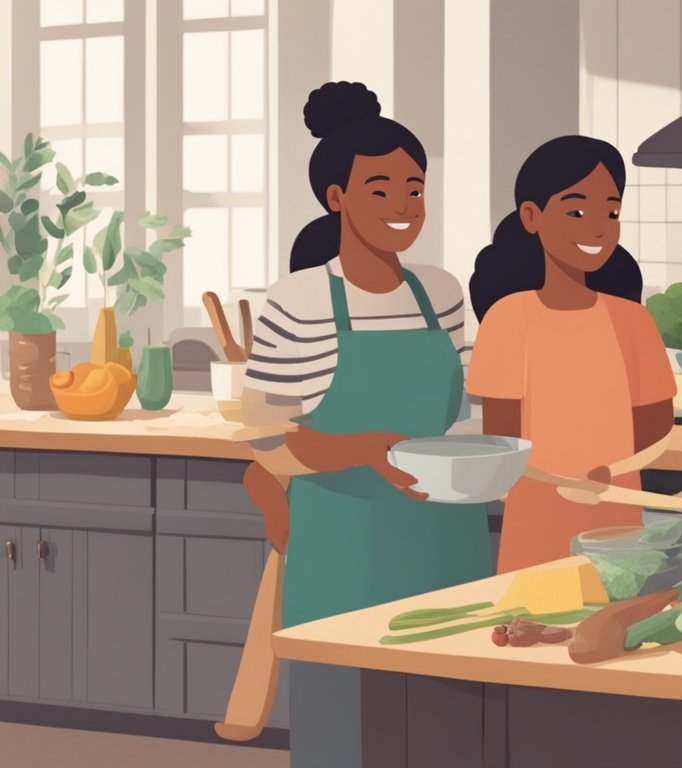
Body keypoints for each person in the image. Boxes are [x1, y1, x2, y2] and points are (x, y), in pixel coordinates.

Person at [238, 81, 488, 768]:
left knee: (448, 735)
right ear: (336, 198)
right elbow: (265, 442)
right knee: (342, 743)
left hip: (445, 548)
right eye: (381, 190)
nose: (406, 206)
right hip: (344, 557)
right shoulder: (301, 300)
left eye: (416, 187)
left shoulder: (439, 291)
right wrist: (365, 451)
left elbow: (462, 411)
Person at [467, 135, 676, 573]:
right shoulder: (508, 319)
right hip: (537, 524)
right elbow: (501, 447)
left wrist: (611, 472)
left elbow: (657, 432)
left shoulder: (633, 321)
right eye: (577, 211)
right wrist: (558, 484)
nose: (599, 228)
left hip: (618, 524)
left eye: (612, 212)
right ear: (531, 216)